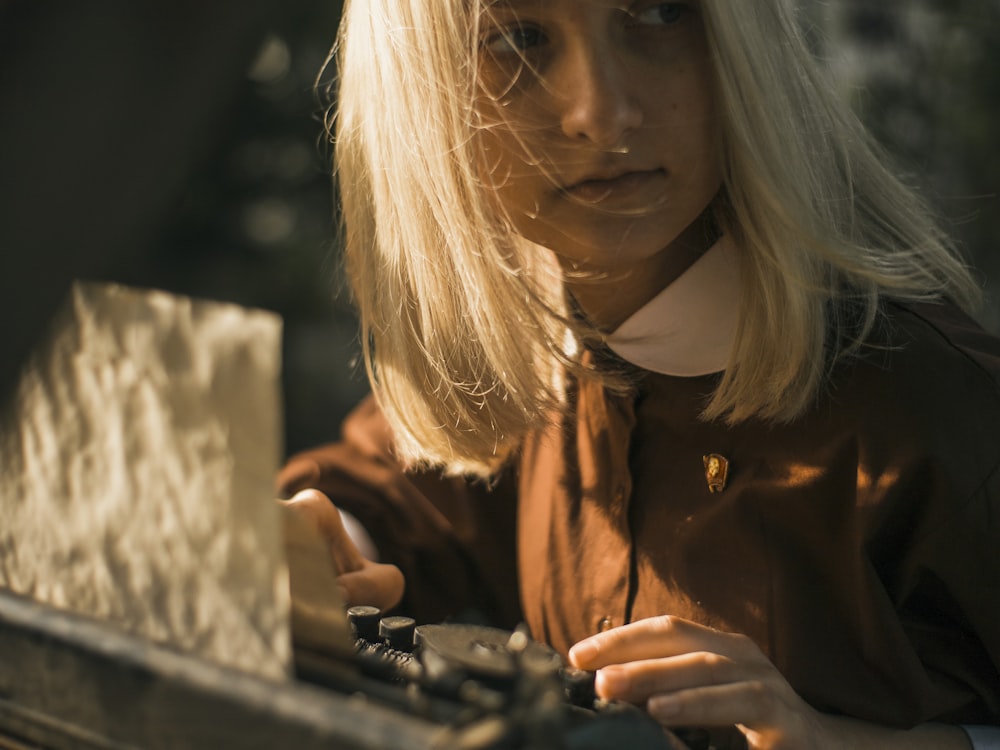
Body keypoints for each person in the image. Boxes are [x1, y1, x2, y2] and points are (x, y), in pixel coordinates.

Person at [278, 0, 1000, 747]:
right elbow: (399, 487)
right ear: (416, 92)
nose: (601, 112)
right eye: (518, 39)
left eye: (659, 12)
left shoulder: (943, 407)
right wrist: (326, 546)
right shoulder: (536, 351)